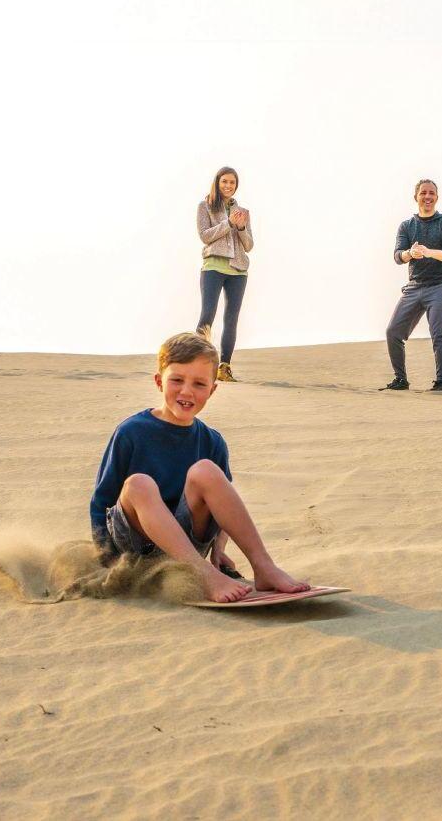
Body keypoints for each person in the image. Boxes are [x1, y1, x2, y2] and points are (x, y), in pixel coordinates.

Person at [90, 331, 310, 603]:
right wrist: (108, 563)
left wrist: (219, 548)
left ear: (212, 390)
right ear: (159, 382)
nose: (186, 391)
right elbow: (101, 501)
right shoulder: (131, 432)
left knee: (206, 470)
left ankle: (263, 566)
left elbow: (223, 507)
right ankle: (204, 574)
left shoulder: (212, 441)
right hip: (135, 546)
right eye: (177, 380)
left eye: (199, 384)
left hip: (188, 545)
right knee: (138, 483)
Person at [383, 179, 442, 392]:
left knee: (438, 335)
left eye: (431, 193)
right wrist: (410, 253)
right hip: (414, 286)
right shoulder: (407, 226)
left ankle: (441, 382)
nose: (427, 197)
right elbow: (398, 256)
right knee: (392, 332)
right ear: (416, 197)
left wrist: (429, 253)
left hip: (440, 286)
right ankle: (401, 380)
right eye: (423, 193)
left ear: (437, 197)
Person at [196, 166, 253, 382]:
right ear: (217, 182)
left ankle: (224, 367)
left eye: (232, 182)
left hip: (238, 271)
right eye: (225, 181)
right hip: (213, 267)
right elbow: (205, 236)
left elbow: (249, 245)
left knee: (231, 319)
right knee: (207, 315)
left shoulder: (243, 212)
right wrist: (229, 223)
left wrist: (241, 227)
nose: (228, 186)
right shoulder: (205, 206)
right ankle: (197, 364)